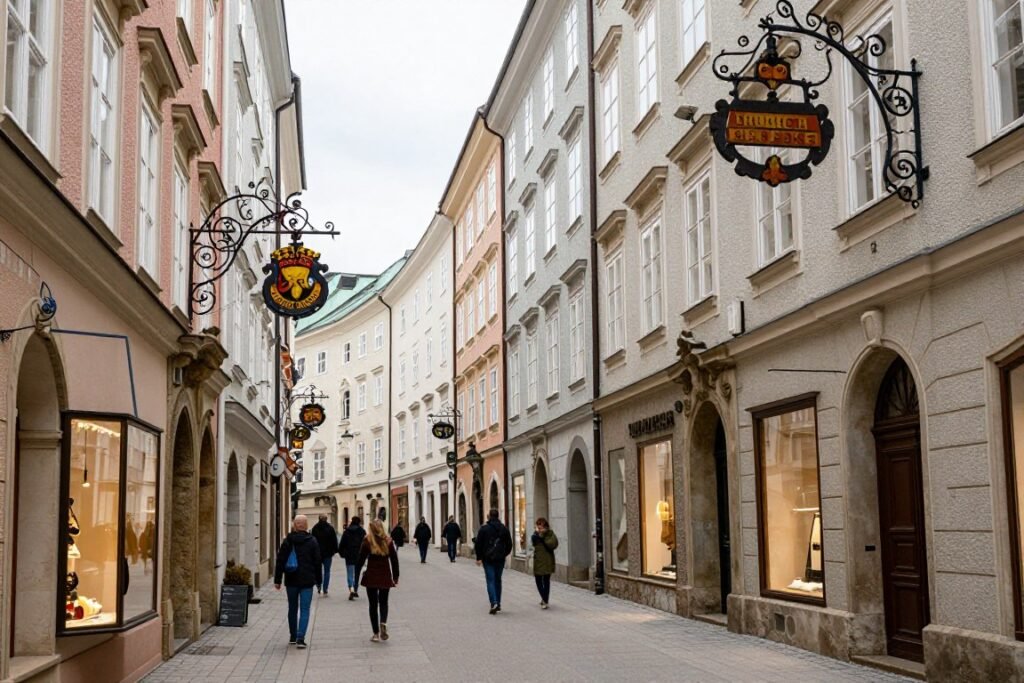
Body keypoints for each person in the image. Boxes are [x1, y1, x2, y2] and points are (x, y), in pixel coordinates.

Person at [274, 515, 322, 648]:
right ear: (306, 526)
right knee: (305, 609)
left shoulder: (288, 541)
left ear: (295, 526)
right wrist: (319, 581)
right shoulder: (312, 541)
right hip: (307, 580)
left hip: (291, 579)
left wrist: (277, 579)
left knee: (293, 608)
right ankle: (301, 638)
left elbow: (280, 560)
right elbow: (317, 562)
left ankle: (293, 636)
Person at [356, 519, 399, 643]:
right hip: (385, 575)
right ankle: (383, 622)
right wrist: (396, 577)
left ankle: (375, 633)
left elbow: (360, 560)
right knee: (384, 602)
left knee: (373, 605)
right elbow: (394, 561)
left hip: (371, 576)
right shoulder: (388, 541)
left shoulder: (367, 541)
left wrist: (356, 575)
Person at [474, 508, 513, 615]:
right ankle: (498, 603)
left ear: (489, 516)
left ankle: (494, 602)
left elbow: (478, 544)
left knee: (490, 580)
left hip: (488, 558)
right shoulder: (504, 529)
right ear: (498, 516)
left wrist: (479, 557)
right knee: (498, 580)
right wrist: (504, 554)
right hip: (500, 559)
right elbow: (509, 544)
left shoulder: (484, 529)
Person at [531, 517, 559, 609]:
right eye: (538, 527)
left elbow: (553, 545)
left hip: (547, 561)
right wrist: (536, 536)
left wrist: (542, 537)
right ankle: (544, 598)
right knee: (538, 580)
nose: (539, 530)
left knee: (546, 581)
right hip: (538, 561)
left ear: (546, 527)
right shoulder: (536, 535)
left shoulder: (550, 534)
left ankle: (545, 600)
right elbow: (533, 543)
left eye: (541, 528)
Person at [311, 514, 339, 596]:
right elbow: (334, 540)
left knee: (318, 570)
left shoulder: (315, 528)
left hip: (317, 553)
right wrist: (335, 550)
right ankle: (325, 588)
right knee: (327, 571)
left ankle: (319, 585)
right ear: (326, 519)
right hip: (328, 553)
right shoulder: (330, 528)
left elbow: (312, 540)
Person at [339, 517, 366, 600]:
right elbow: (366, 543)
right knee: (357, 573)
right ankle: (355, 589)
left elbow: (342, 544)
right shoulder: (362, 531)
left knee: (350, 573)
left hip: (349, 555)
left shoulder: (347, 531)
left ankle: (351, 589)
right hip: (359, 555)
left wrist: (342, 553)